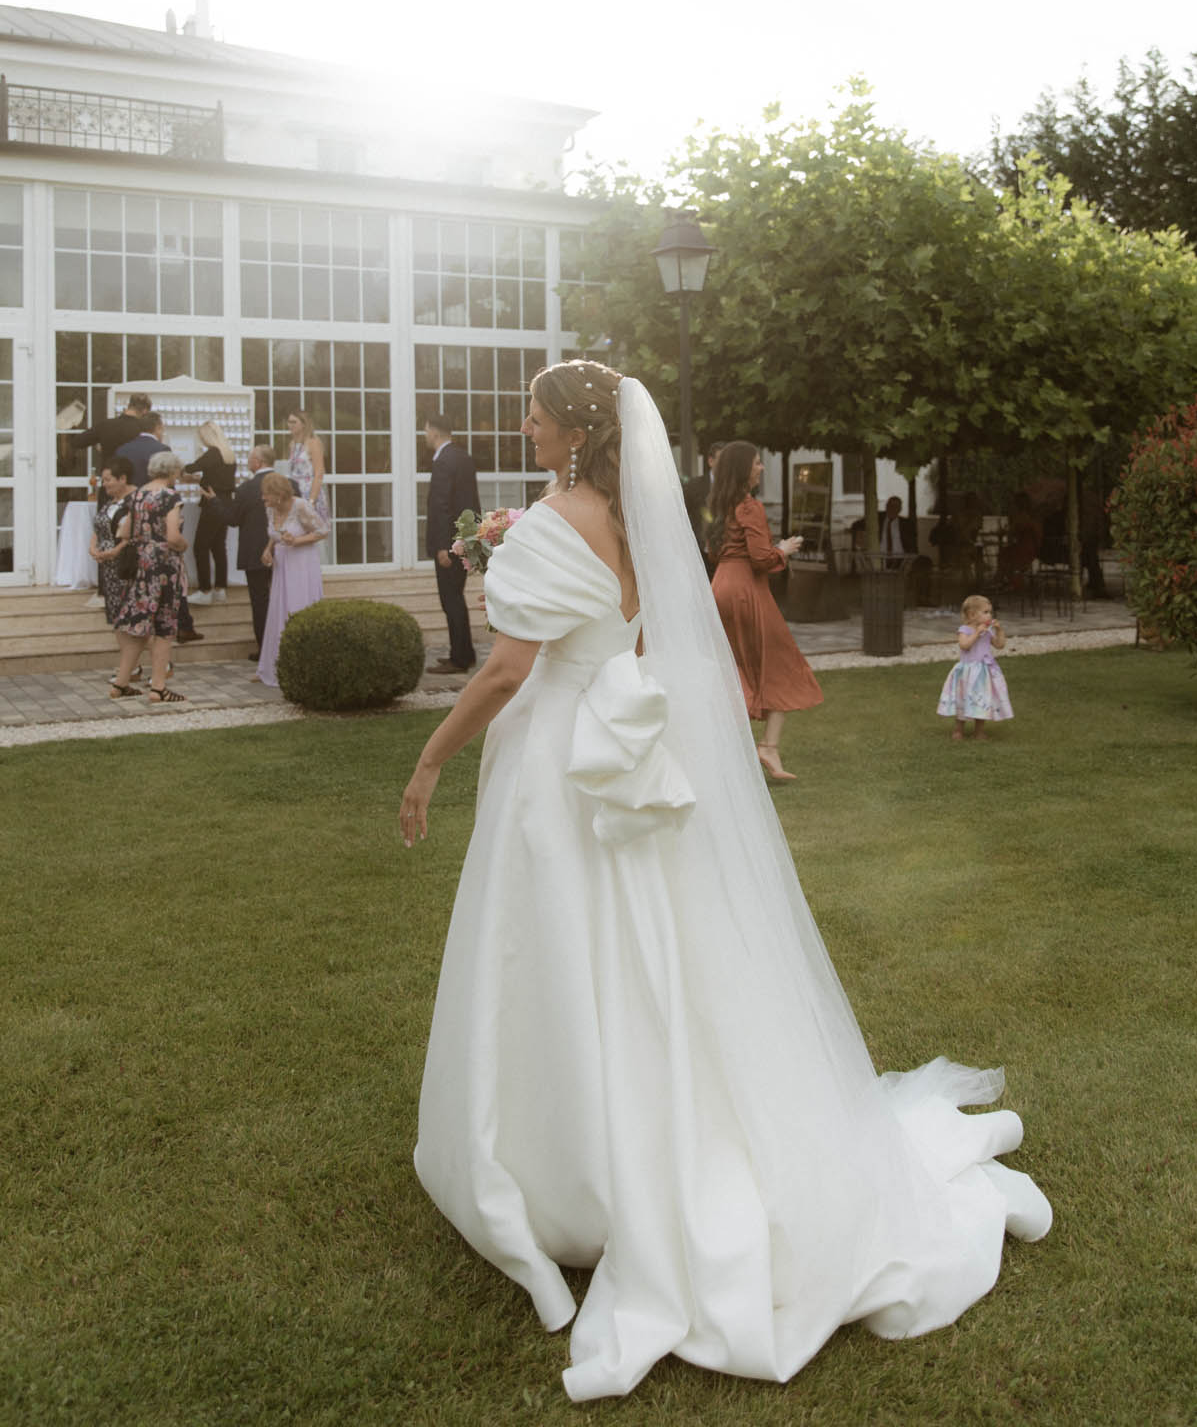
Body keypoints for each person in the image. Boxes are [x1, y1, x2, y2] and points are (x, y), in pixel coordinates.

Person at [398, 362, 1049, 1403]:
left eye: (534, 414)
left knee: (556, 937)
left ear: (574, 431)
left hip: (559, 758)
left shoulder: (554, 524)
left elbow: (509, 669)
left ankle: (568, 1160)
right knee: (638, 935)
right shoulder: (630, 519)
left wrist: (429, 760)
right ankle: (634, 1128)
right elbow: (636, 636)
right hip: (615, 742)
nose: (521, 425)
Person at [708, 439, 822, 782]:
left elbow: (716, 551)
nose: (761, 467)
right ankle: (768, 746)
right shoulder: (749, 507)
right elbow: (760, 558)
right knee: (780, 663)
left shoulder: (719, 506)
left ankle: (730, 750)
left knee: (734, 668)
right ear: (743, 469)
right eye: (757, 462)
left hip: (720, 586)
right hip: (746, 590)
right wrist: (783, 550)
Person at [108, 449, 190, 703]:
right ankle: (158, 688)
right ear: (172, 471)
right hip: (164, 566)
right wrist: (183, 546)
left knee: (138, 627)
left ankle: (120, 683)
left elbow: (124, 532)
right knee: (164, 626)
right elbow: (173, 536)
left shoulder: (137, 495)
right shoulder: (170, 496)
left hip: (141, 565)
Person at [254, 474, 328, 687]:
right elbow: (275, 533)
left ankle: (304, 668)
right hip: (282, 565)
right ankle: (273, 666)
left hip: (302, 565)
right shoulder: (271, 509)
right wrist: (268, 549)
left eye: (266, 494)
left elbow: (323, 531)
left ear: (278, 494)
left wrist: (297, 540)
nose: (263, 498)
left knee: (297, 608)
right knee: (279, 611)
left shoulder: (301, 506)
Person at [422, 413, 481, 675]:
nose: (425, 435)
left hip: (449, 545)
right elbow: (470, 503)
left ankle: (460, 659)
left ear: (434, 431)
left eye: (426, 430)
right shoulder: (462, 457)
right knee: (455, 598)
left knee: (451, 600)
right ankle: (464, 654)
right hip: (462, 539)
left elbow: (442, 506)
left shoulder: (444, 461)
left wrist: (443, 546)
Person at [205, 446, 277, 659]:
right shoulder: (290, 484)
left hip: (255, 552)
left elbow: (233, 519)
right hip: (284, 550)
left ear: (258, 462)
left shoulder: (246, 488)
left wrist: (214, 501)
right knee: (283, 598)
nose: (247, 462)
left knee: (260, 601)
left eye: (249, 458)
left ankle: (265, 650)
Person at [936, 595, 1013, 741]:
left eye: (990, 612)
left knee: (982, 699)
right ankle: (958, 729)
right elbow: (964, 645)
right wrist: (977, 633)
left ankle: (979, 731)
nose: (990, 615)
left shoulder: (988, 631)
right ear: (972, 615)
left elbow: (999, 645)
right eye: (985, 612)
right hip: (967, 673)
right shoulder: (965, 630)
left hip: (984, 673)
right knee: (963, 699)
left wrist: (999, 631)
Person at [181, 420, 237, 605]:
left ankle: (205, 590)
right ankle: (220, 588)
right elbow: (217, 478)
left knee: (200, 546)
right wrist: (199, 480)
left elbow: (192, 467)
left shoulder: (213, 453)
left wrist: (180, 469)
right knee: (218, 546)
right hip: (226, 502)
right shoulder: (228, 454)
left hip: (212, 503)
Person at [87, 456, 137, 640]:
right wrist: (93, 547)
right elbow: (98, 528)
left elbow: (136, 533)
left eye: (108, 480)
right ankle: (128, 658)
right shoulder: (110, 501)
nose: (104, 484)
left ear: (122, 478)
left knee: (130, 617)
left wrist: (115, 551)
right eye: (103, 480)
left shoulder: (136, 500)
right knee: (116, 617)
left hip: (126, 566)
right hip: (108, 568)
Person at [681, 440, 725, 561]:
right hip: (698, 554)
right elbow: (682, 515)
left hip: (726, 556)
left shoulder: (736, 488)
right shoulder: (694, 486)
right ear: (711, 461)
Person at [286, 409, 329, 523]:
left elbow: (319, 473)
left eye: (294, 422)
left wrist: (311, 501)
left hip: (309, 491)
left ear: (304, 424)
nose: (290, 425)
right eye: (289, 422)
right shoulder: (292, 444)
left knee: (311, 527)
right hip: (295, 492)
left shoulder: (313, 442)